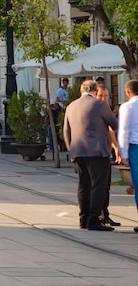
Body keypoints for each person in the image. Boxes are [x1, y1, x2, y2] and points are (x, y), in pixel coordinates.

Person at [63, 79, 119, 231]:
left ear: (81, 90)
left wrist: (71, 150)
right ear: (95, 91)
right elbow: (114, 124)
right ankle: (94, 219)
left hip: (78, 151)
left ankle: (84, 218)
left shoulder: (71, 106)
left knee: (83, 185)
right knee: (98, 185)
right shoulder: (99, 105)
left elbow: (66, 131)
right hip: (97, 152)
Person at [94, 82, 121, 227]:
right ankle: (96, 214)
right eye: (100, 96)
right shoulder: (95, 109)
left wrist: (116, 147)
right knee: (97, 186)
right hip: (95, 153)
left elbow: (111, 130)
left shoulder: (106, 110)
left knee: (106, 186)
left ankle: (104, 214)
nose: (103, 99)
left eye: (106, 96)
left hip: (105, 151)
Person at [117, 80, 138, 233]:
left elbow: (123, 131)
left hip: (135, 148)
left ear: (128, 93)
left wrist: (123, 154)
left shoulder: (127, 107)